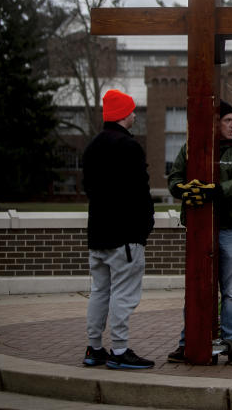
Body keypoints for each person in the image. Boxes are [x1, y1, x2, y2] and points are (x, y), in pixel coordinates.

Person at [166, 100, 232, 366]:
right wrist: (184, 191)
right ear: (215, 123)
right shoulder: (192, 149)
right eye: (227, 120)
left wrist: (215, 191)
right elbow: (174, 178)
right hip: (199, 230)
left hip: (229, 229)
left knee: (229, 291)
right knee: (196, 287)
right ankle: (188, 342)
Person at [82, 89, 155, 370]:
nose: (135, 114)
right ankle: (120, 350)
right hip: (124, 236)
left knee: (100, 291)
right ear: (124, 114)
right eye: (133, 110)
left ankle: (94, 348)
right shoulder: (128, 147)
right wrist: (144, 225)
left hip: (98, 234)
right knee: (124, 294)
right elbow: (139, 190)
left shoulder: (92, 147)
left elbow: (90, 189)